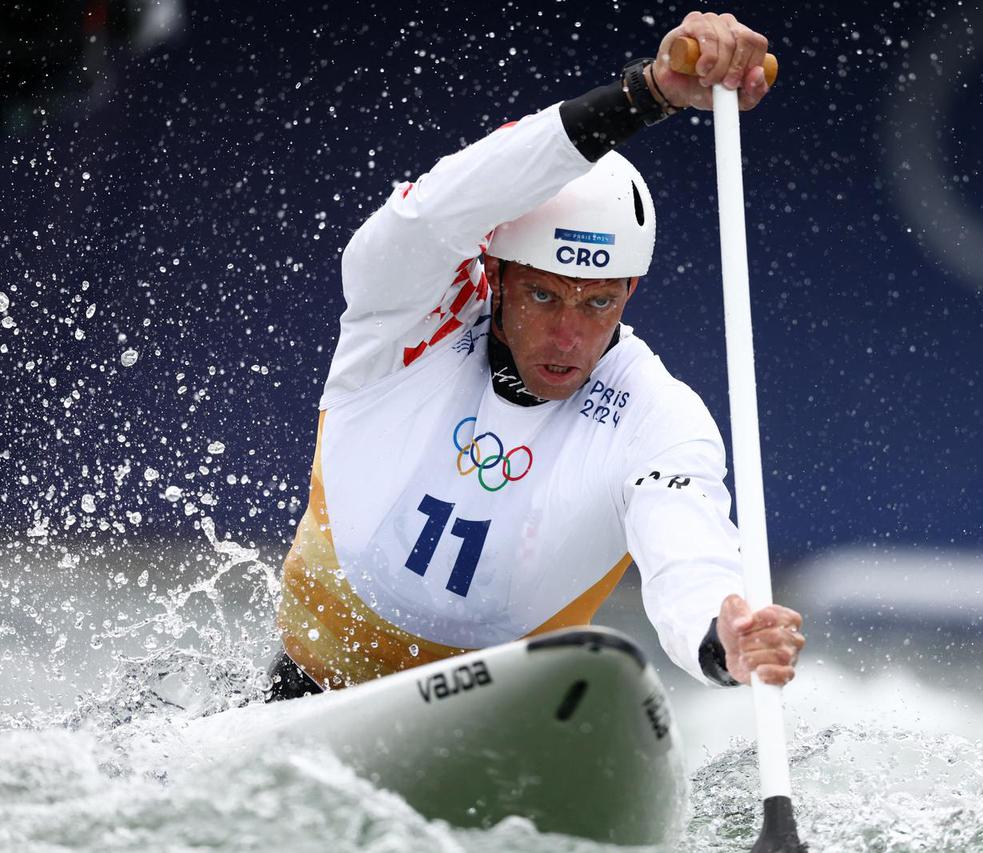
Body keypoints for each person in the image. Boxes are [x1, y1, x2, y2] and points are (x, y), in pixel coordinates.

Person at [267, 11, 804, 702]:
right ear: (497, 273)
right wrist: (648, 93)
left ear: (631, 290)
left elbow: (688, 552)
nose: (569, 339)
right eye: (546, 297)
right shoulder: (403, 316)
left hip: (497, 723)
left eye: (599, 302)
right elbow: (436, 210)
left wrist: (722, 638)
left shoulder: (656, 415)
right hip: (303, 693)